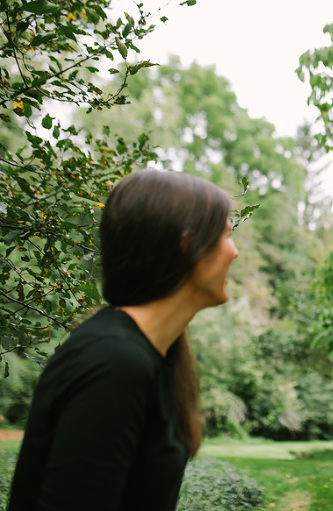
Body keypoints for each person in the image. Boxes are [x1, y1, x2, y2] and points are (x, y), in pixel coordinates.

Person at [8, 169, 239, 511]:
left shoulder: (152, 355)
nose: (234, 253)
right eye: (226, 236)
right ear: (188, 246)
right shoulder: (114, 363)